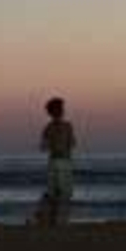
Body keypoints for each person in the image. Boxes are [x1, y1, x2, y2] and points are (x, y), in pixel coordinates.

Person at [36, 96, 77, 227]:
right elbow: (73, 144)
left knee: (54, 192)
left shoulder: (50, 127)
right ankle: (58, 220)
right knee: (63, 192)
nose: (62, 110)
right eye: (60, 108)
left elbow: (43, 147)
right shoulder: (66, 126)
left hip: (56, 161)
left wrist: (52, 143)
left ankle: (51, 218)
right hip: (62, 161)